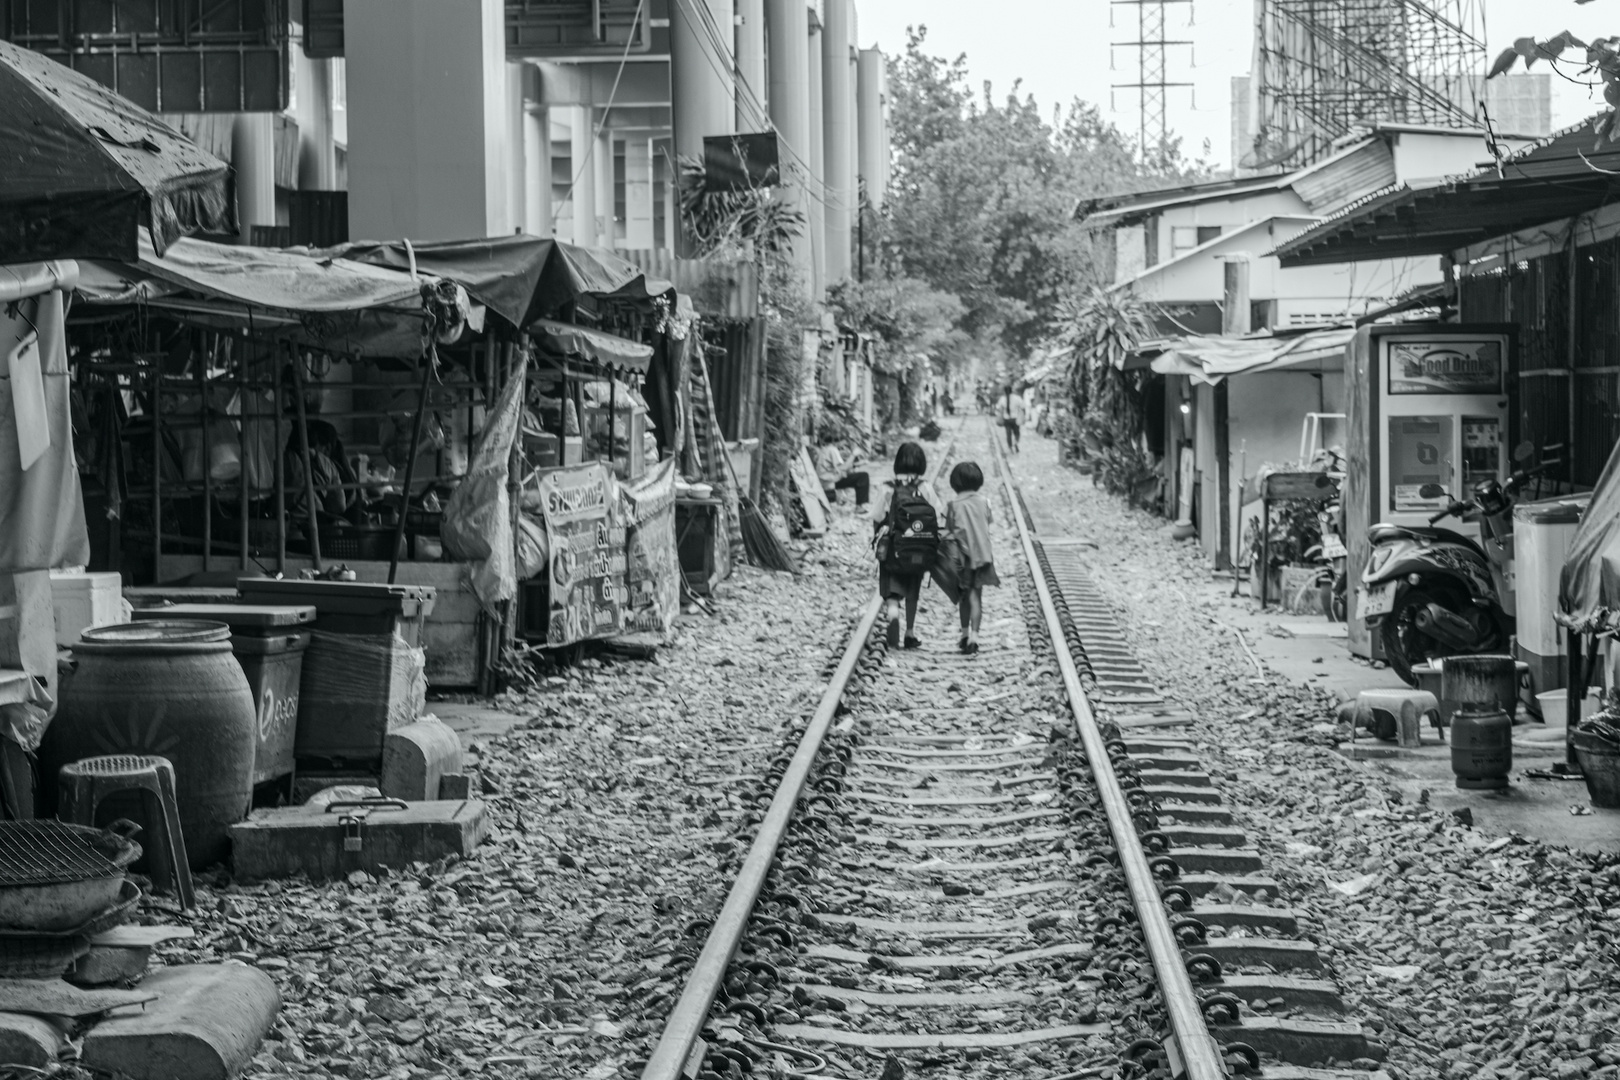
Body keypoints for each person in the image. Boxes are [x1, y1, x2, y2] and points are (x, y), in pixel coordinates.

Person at [872, 441, 945, 649]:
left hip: (894, 546)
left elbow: (877, 515)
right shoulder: (925, 487)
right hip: (917, 549)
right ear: (921, 464)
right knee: (913, 589)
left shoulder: (887, 487)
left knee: (892, 588)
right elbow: (937, 514)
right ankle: (910, 632)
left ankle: (893, 612)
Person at [946, 461, 1000, 654]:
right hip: (983, 558)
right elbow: (988, 522)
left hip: (962, 560)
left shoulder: (953, 506)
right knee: (976, 597)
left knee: (964, 598)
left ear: (955, 483)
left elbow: (948, 531)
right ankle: (975, 637)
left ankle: (964, 634)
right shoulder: (985, 502)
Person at [815, 435, 870, 507]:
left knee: (852, 474)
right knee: (863, 476)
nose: (845, 445)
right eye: (844, 442)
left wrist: (855, 465)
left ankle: (845, 499)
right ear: (840, 441)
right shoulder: (832, 450)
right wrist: (853, 455)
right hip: (829, 482)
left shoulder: (825, 449)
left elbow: (839, 468)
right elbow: (843, 468)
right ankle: (859, 507)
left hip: (827, 480)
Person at [997, 384, 1027, 454]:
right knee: (1017, 433)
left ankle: (1010, 448)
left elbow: (998, 408)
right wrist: (1023, 415)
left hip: (1006, 419)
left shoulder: (1002, 399)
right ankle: (1016, 443)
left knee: (1008, 434)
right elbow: (1023, 406)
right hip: (1015, 419)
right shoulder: (1017, 398)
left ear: (1004, 391)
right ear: (1011, 390)